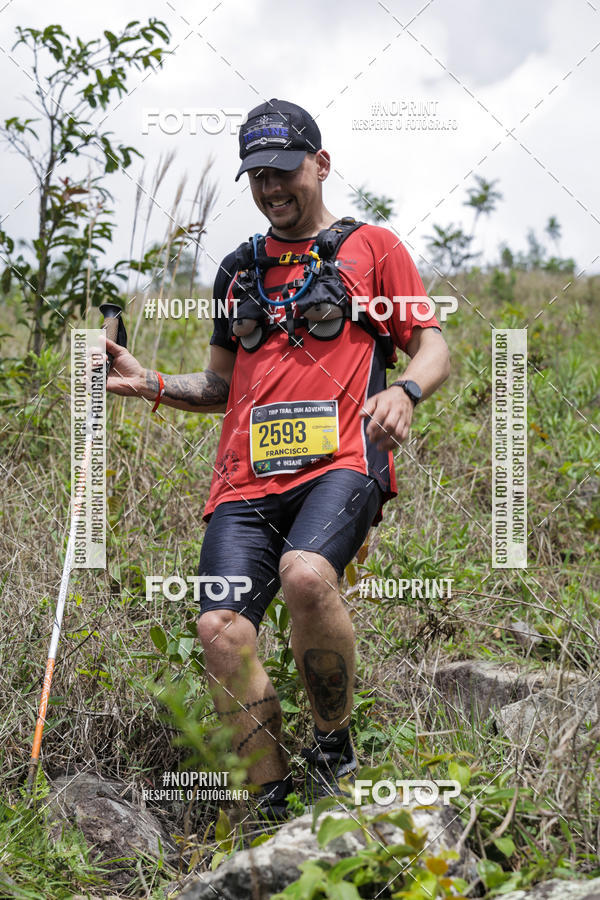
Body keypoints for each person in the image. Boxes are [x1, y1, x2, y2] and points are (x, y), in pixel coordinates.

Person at [105, 98, 450, 823]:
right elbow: (223, 387)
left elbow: (433, 343)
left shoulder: (373, 248)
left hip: (341, 463)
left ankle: (333, 751)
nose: (270, 189)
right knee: (219, 632)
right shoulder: (238, 270)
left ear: (320, 164)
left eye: (284, 170)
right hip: (244, 483)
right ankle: (268, 800)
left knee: (306, 574)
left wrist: (409, 392)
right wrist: (150, 385)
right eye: (257, 176)